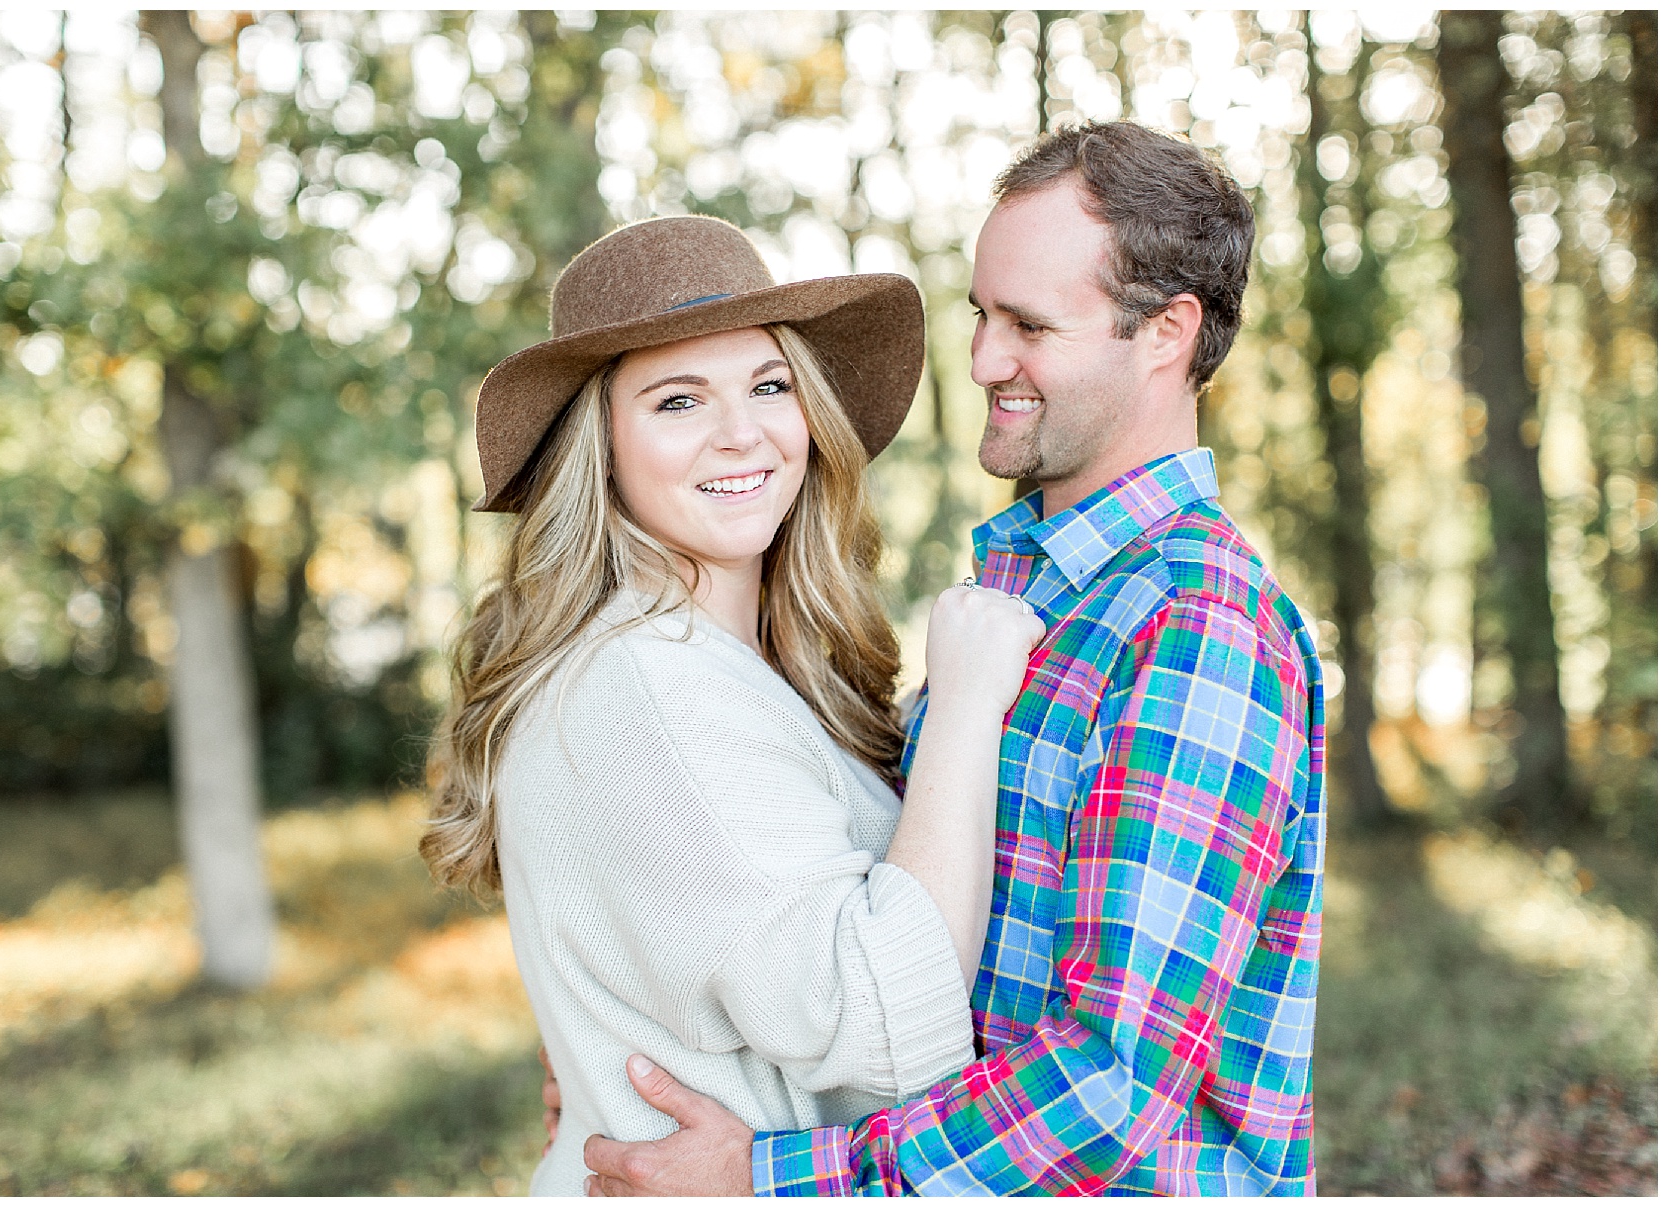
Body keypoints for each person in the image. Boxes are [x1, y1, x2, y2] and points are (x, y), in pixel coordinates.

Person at [579, 121, 1328, 1196]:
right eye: (982, 315)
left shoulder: (1196, 622)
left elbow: (1110, 1090)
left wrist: (772, 1179)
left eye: (1029, 325)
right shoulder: (1029, 594)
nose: (982, 361)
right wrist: (640, 1059)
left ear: (1167, 332)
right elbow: (872, 919)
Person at [422, 214, 1046, 1196]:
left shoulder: (720, 665)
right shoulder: (655, 689)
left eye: (768, 385)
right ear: (602, 446)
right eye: (678, 400)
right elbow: (889, 1028)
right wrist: (967, 707)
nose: (742, 432)